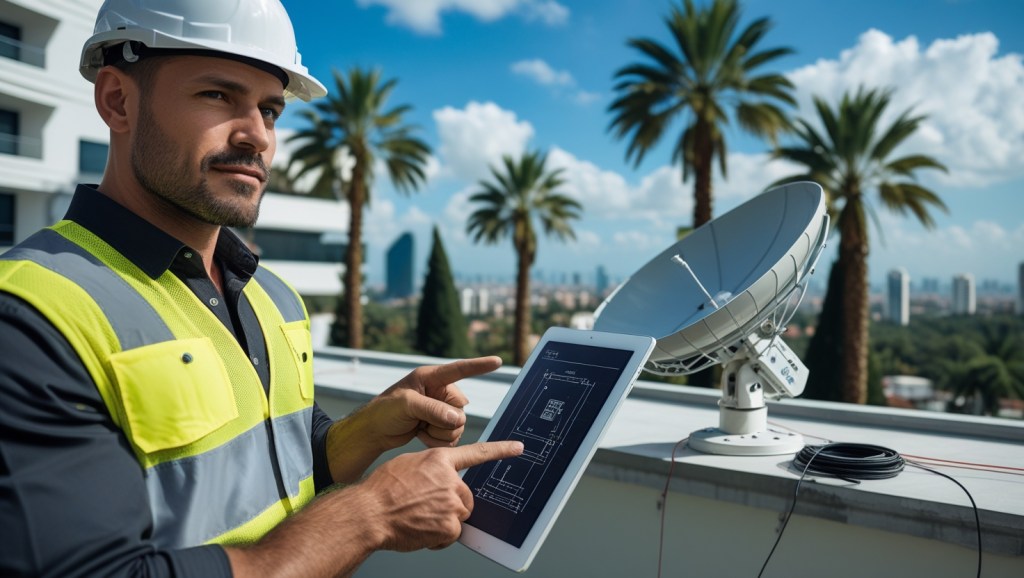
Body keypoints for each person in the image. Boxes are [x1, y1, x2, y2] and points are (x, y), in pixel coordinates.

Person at [0, 0, 523, 576]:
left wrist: (366, 430)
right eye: (217, 95)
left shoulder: (271, 296)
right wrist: (371, 513)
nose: (257, 136)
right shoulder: (28, 318)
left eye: (270, 110)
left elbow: (275, 470)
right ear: (118, 101)